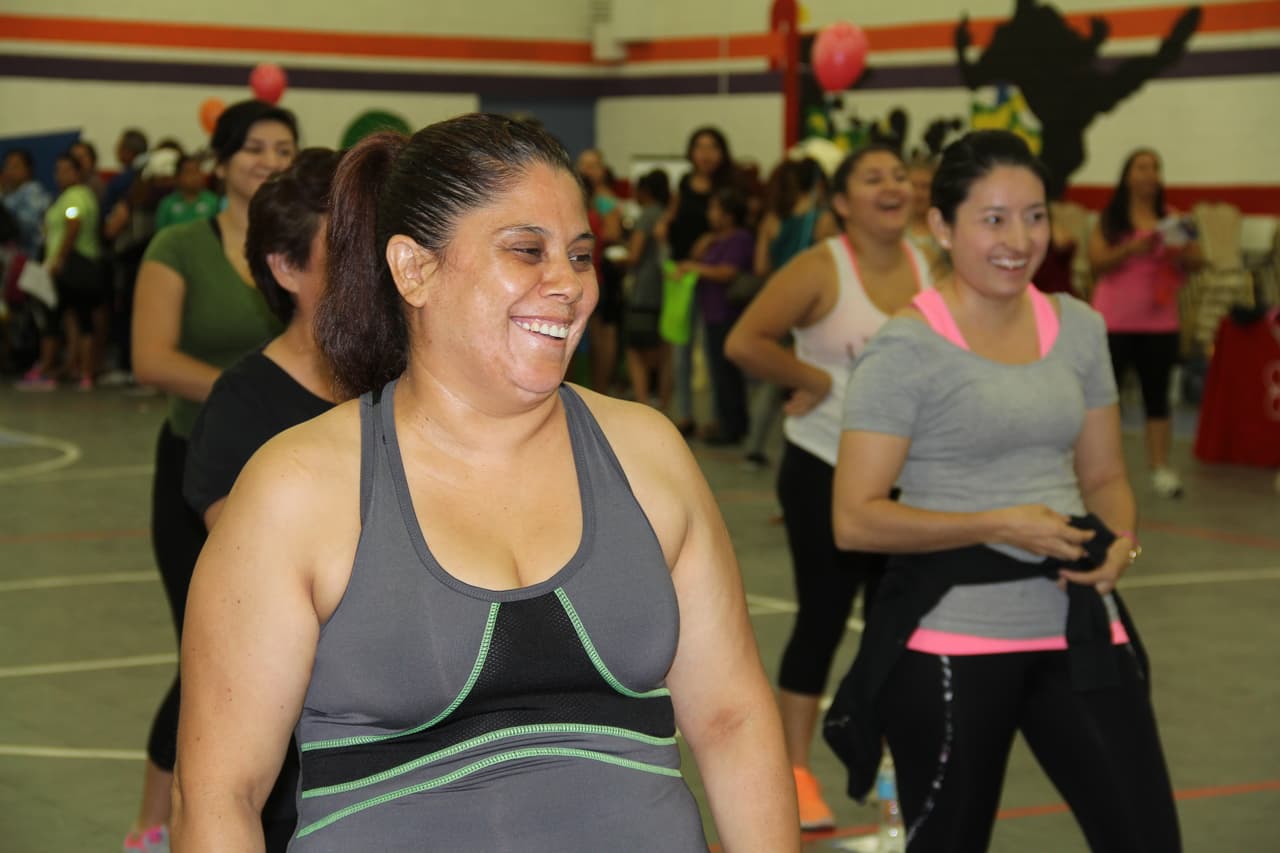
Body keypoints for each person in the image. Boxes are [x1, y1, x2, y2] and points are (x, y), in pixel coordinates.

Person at [171, 113, 799, 853]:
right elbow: (217, 795)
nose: (568, 284)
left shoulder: (648, 453)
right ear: (414, 269)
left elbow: (732, 720)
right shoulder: (298, 488)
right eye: (527, 250)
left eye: (581, 255)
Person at [829, 130, 1178, 851]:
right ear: (941, 226)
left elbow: (1106, 477)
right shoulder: (905, 348)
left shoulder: (1080, 327)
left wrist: (1121, 544)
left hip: (1078, 624)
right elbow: (854, 519)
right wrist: (999, 524)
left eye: (1035, 216)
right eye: (993, 219)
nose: (1019, 240)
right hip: (951, 638)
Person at [725, 144, 932, 831]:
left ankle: (890, 764)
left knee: (899, 626)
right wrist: (810, 378)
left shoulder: (933, 263)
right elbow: (745, 340)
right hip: (824, 467)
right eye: (873, 178)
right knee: (821, 617)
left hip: (910, 476)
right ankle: (795, 772)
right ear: (842, 202)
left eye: (899, 175)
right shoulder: (820, 268)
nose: (892, 186)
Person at [125, 99, 297, 853]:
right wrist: (254, 391)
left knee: (278, 652)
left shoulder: (305, 246)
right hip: (199, 470)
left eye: (284, 149)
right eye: (254, 147)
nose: (269, 161)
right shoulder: (179, 245)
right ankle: (150, 825)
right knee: (206, 655)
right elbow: (151, 357)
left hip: (286, 479)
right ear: (222, 159)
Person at [181, 147, 340, 851]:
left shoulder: (414, 386)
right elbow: (260, 596)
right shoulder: (242, 408)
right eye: (347, 249)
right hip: (304, 771)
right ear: (286, 268)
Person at [1088, 147, 1203, 498]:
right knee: (1105, 399)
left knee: (1157, 396)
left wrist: (1181, 252)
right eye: (1141, 167)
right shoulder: (1111, 220)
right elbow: (1096, 263)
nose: (1149, 174)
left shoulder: (1174, 219)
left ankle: (1160, 467)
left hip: (1159, 322)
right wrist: (1131, 250)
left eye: (1155, 167)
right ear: (1127, 176)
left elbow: (1198, 261)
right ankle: (1100, 468)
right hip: (1115, 320)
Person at [739, 156, 833, 470]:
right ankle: (806, 445)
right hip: (812, 307)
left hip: (776, 305)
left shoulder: (772, 219)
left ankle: (754, 445)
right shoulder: (821, 219)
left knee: (773, 374)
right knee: (809, 375)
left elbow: (760, 266)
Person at [663, 126, 738, 436]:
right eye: (700, 147)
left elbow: (737, 227)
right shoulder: (684, 184)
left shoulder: (728, 187)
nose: (706, 154)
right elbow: (671, 219)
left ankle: (717, 417)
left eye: (712, 147)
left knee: (713, 350)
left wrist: (709, 240)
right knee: (681, 347)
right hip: (682, 274)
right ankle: (685, 414)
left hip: (714, 276)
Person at [17, 151, 103, 390]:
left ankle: (61, 369)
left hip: (75, 266)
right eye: (57, 170)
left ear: (77, 172)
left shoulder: (75, 197)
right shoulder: (68, 197)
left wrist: (59, 259)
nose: (60, 175)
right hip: (68, 264)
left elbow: (73, 224)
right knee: (72, 319)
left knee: (68, 318)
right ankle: (75, 368)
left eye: (66, 170)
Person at [679, 186, 754, 445]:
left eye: (715, 209)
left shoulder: (740, 239)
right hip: (712, 313)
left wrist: (696, 268)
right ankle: (725, 422)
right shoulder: (717, 239)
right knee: (718, 370)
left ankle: (731, 427)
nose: (710, 214)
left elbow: (727, 272)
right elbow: (697, 254)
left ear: (729, 215)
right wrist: (707, 241)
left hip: (727, 313)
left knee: (726, 372)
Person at [622, 168, 672, 409]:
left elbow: (634, 255)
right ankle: (664, 404)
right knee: (665, 351)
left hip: (644, 290)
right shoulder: (667, 214)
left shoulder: (647, 215)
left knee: (636, 350)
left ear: (645, 191)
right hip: (667, 288)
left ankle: (642, 404)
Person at [577, 148, 625, 394]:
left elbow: (613, 233)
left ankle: (600, 388)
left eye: (593, 165)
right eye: (584, 164)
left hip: (600, 271)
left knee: (602, 334)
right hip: (584, 267)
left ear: (602, 170)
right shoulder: (574, 195)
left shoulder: (605, 200)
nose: (588, 170)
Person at [1, 148, 52, 259]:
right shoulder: (7, 195)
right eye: (7, 166)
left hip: (28, 258)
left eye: (15, 166)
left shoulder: (33, 191)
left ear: (28, 169)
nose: (10, 171)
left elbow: (28, 227)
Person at [155, 156, 219, 231]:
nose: (194, 176)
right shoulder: (167, 204)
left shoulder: (213, 201)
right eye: (189, 172)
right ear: (178, 177)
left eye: (197, 171)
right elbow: (160, 233)